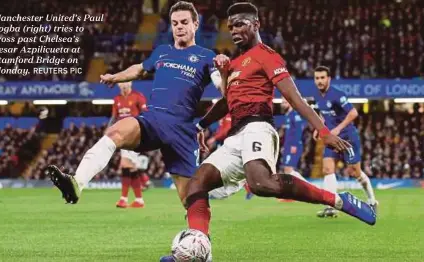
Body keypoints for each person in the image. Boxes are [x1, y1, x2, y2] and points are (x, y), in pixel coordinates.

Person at [161, 2, 376, 260]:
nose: (234, 30)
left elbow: (295, 98)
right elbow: (228, 102)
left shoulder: (268, 56)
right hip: (235, 137)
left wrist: (324, 131)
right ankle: (198, 250)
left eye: (240, 24)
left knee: (261, 183)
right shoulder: (235, 63)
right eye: (230, 27)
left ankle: (339, 200)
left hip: (258, 127)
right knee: (196, 184)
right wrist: (201, 125)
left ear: (256, 24)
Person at [45, 1, 225, 208]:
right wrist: (115, 77)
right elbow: (139, 69)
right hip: (153, 119)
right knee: (115, 133)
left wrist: (224, 75)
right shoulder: (162, 51)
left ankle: (200, 235)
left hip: (182, 129)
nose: (179, 27)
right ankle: (77, 183)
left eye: (184, 22)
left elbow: (221, 87)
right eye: (175, 23)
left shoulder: (207, 56)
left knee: (189, 199)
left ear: (196, 24)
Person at [312, 66, 378, 218]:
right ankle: (331, 207)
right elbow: (323, 114)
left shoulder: (337, 94)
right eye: (317, 78)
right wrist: (319, 127)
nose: (320, 81)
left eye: (322, 78)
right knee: (328, 169)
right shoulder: (317, 96)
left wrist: (338, 129)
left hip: (347, 137)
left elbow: (353, 112)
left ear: (328, 79)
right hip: (331, 139)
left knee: (355, 173)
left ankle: (372, 201)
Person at [111, 82, 148, 208]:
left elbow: (145, 114)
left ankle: (123, 199)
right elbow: (114, 117)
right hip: (122, 135)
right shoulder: (117, 99)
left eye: (126, 84)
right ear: (119, 86)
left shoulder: (138, 96)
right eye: (122, 84)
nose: (124, 86)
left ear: (130, 84)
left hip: (134, 134)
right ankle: (139, 200)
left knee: (125, 164)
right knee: (131, 167)